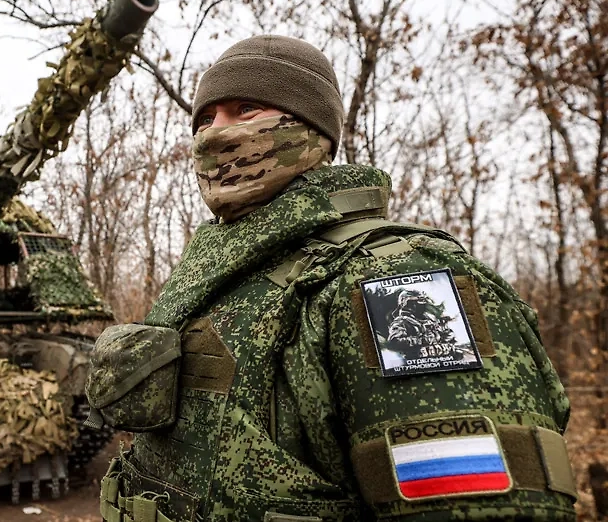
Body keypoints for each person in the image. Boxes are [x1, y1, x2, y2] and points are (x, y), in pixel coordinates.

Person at [85, 36, 576, 521]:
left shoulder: (397, 279)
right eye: (206, 119)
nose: (216, 133)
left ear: (309, 124)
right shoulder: (219, 275)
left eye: (246, 108)